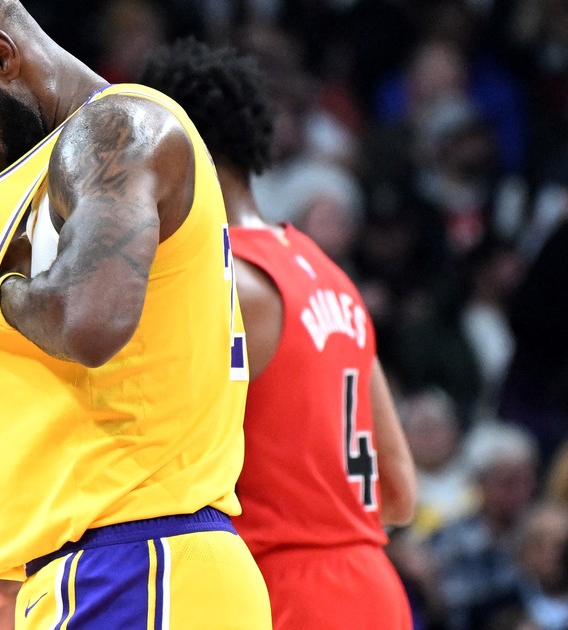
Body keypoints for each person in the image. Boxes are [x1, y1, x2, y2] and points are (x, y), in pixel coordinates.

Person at [0, 2, 270, 628]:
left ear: (0, 55)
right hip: (95, 572)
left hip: (137, 561)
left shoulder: (116, 129)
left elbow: (88, 322)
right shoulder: (53, 168)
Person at [140, 41, 417, 629]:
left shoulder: (216, 282)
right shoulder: (330, 274)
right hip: (374, 588)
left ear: (171, 151)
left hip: (280, 593)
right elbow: (399, 492)